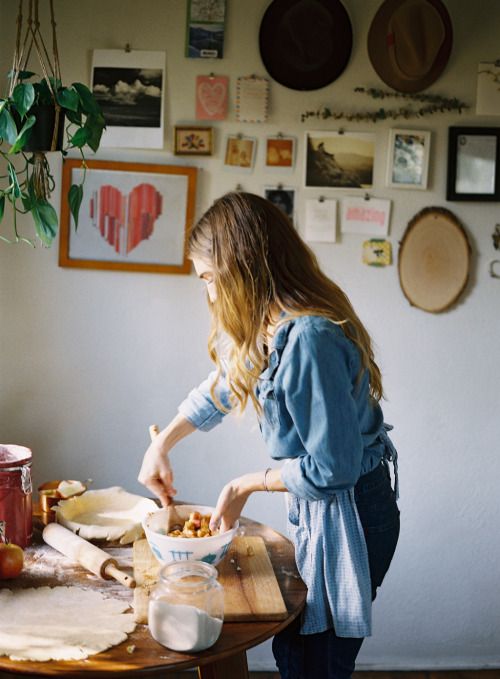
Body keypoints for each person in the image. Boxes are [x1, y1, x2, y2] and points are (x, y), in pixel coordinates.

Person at [138, 191, 400, 679]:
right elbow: (223, 384)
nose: (211, 296)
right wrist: (162, 444)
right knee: (298, 650)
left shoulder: (309, 339)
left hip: (354, 514)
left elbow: (332, 469)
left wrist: (244, 484)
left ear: (241, 270)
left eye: (210, 280)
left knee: (312, 661)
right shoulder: (271, 326)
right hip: (329, 508)